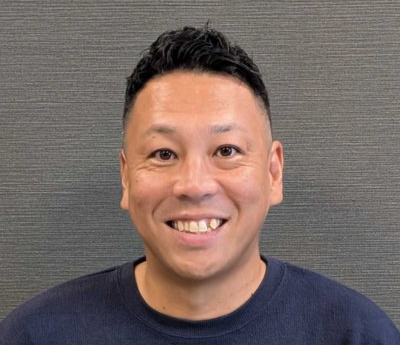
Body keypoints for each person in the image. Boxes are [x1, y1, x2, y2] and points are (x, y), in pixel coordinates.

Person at [1, 23, 399, 344]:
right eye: (163, 154)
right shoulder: (36, 335)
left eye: (226, 150)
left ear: (273, 173)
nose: (194, 185)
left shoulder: (357, 335)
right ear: (126, 177)